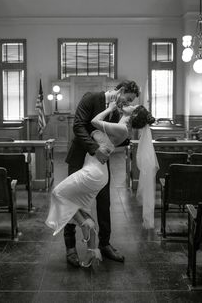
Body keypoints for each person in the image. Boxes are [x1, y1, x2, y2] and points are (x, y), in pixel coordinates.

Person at [45, 102, 155, 267]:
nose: (129, 104)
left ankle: (85, 225)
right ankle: (91, 251)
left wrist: (109, 108)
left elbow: (95, 122)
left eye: (133, 105)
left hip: (94, 172)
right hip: (95, 169)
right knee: (81, 208)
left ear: (133, 114)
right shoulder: (121, 125)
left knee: (58, 193)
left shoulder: (122, 129)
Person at [63, 80, 140, 266]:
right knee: (72, 199)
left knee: (105, 202)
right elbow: (78, 126)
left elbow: (114, 139)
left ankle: (105, 244)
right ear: (120, 91)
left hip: (101, 162)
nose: (128, 104)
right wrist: (94, 149)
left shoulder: (119, 111)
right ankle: (70, 247)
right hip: (80, 157)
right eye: (128, 99)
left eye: (131, 102)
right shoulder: (91, 98)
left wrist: (126, 135)